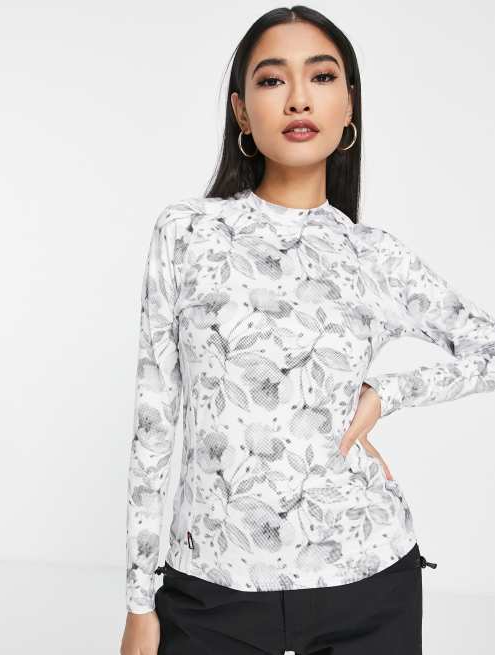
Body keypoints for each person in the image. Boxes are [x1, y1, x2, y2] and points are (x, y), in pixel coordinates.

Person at [120, 6, 494, 655]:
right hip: (210, 593)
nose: (298, 98)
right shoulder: (187, 232)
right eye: (272, 80)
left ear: (349, 105)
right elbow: (154, 425)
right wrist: (138, 601)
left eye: (321, 77)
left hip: (365, 581)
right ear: (241, 112)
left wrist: (384, 394)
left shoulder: (371, 255)